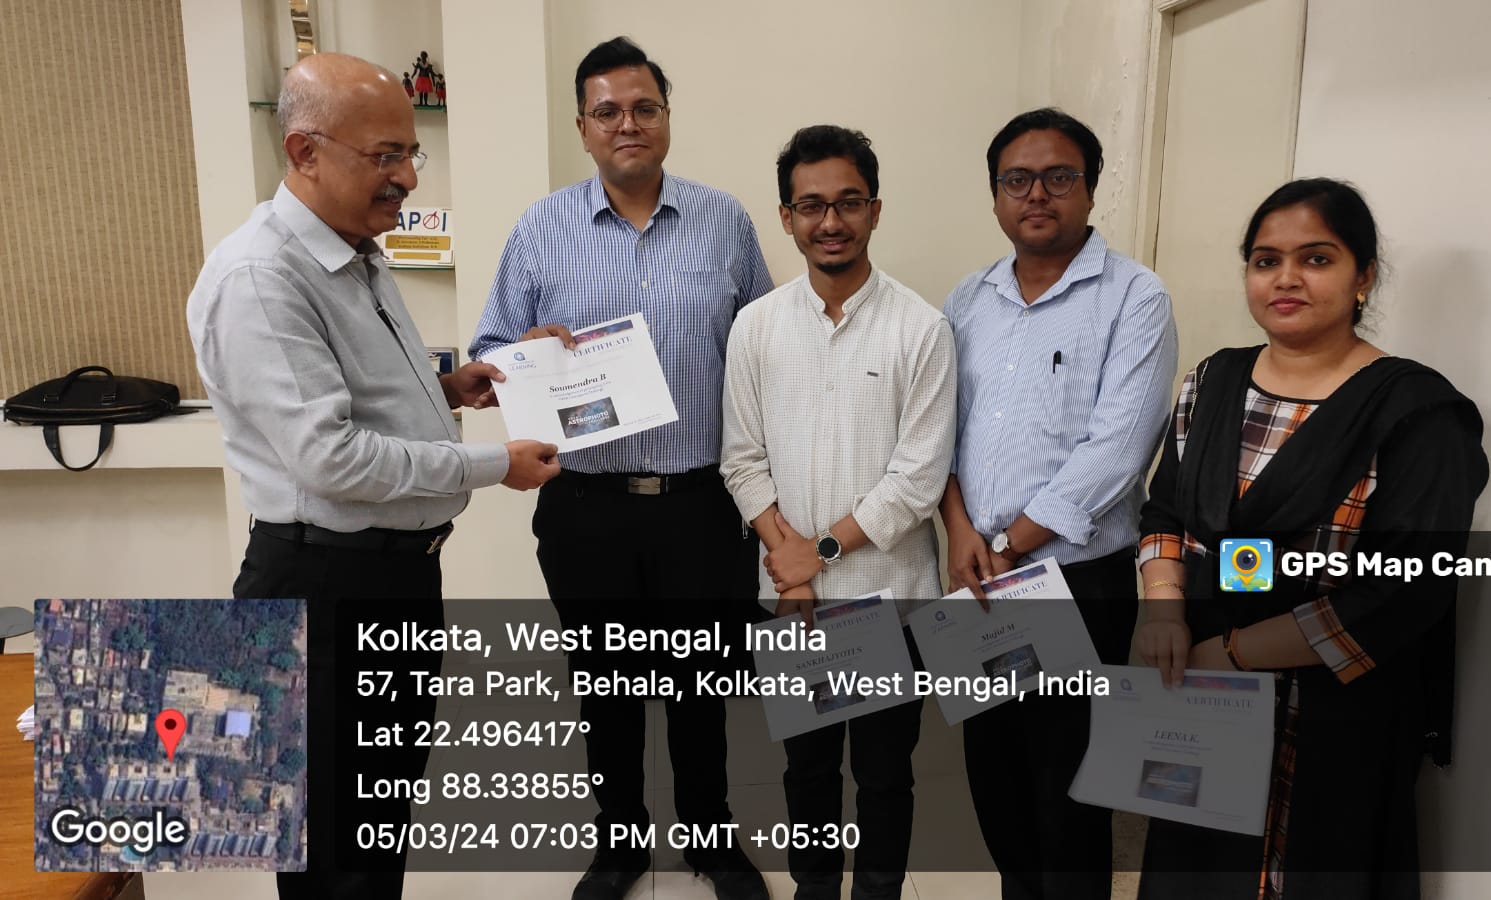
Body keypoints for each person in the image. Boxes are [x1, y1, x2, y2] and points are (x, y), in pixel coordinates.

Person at [186, 53, 560, 900]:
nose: (406, 178)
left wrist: (448, 390)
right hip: (322, 590)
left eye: (409, 153)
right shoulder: (261, 277)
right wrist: (495, 465)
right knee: (333, 854)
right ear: (305, 151)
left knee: (377, 828)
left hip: (392, 583)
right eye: (384, 156)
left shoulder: (354, 249)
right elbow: (331, 457)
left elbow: (352, 396)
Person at [468, 36, 772, 900]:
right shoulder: (541, 228)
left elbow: (764, 346)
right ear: (583, 127)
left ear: (666, 117)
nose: (627, 123)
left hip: (700, 502)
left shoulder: (725, 220)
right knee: (605, 686)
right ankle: (620, 844)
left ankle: (711, 837)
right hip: (586, 505)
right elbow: (490, 349)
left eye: (644, 107)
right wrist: (521, 352)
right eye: (608, 111)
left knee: (700, 684)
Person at [1134, 178, 1489, 900]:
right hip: (1203, 697)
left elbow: (1402, 592)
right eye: (1266, 261)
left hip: (1333, 715)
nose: (1286, 278)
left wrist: (1232, 653)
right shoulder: (1212, 381)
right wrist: (1163, 608)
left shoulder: (1418, 412)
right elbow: (1165, 511)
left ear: (1364, 277)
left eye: (1316, 259)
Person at [939, 107, 1178, 900]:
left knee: (1069, 792)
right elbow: (939, 431)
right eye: (1017, 179)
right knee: (996, 777)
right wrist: (959, 531)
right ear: (995, 195)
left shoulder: (1135, 296)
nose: (1036, 194)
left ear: (1091, 189)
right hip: (976, 575)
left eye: (1058, 176)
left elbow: (1119, 448)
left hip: (1075, 579)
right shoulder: (967, 300)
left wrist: (1010, 544)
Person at [720, 125, 956, 900]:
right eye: (811, 205)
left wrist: (813, 553)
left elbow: (918, 480)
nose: (831, 221)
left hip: (891, 597)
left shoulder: (922, 328)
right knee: (809, 769)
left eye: (848, 202)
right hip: (795, 604)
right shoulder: (756, 326)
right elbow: (741, 459)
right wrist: (790, 570)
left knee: (885, 777)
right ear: (786, 217)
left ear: (875, 210)